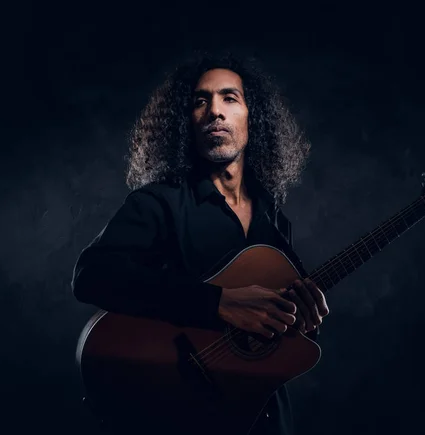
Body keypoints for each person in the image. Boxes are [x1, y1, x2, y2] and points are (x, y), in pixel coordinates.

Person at [71, 50, 330, 435]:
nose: (214, 111)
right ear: (185, 123)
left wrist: (302, 319)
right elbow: (92, 276)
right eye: (199, 101)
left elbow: (276, 332)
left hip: (262, 416)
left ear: (251, 116)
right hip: (180, 417)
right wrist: (218, 303)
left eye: (230, 98)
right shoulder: (159, 203)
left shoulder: (273, 220)